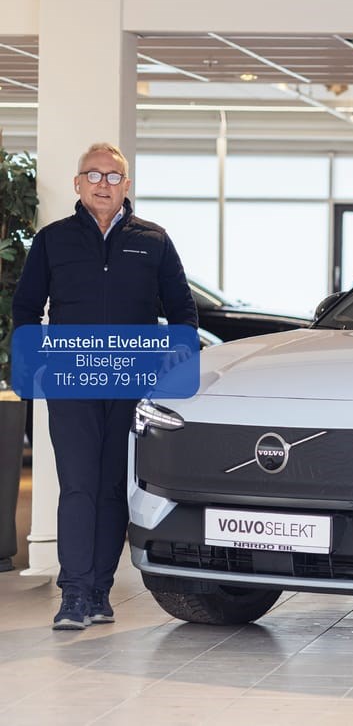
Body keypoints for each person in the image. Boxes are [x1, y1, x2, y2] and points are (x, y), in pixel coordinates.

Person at [12, 142, 197, 629]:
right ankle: (74, 592)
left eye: (113, 176)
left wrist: (170, 366)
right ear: (78, 183)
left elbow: (183, 311)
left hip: (129, 382)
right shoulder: (53, 240)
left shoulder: (153, 240)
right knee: (78, 484)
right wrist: (36, 368)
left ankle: (100, 591)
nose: (102, 184)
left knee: (113, 486)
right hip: (71, 380)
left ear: (126, 186)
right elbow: (26, 307)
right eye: (93, 175)